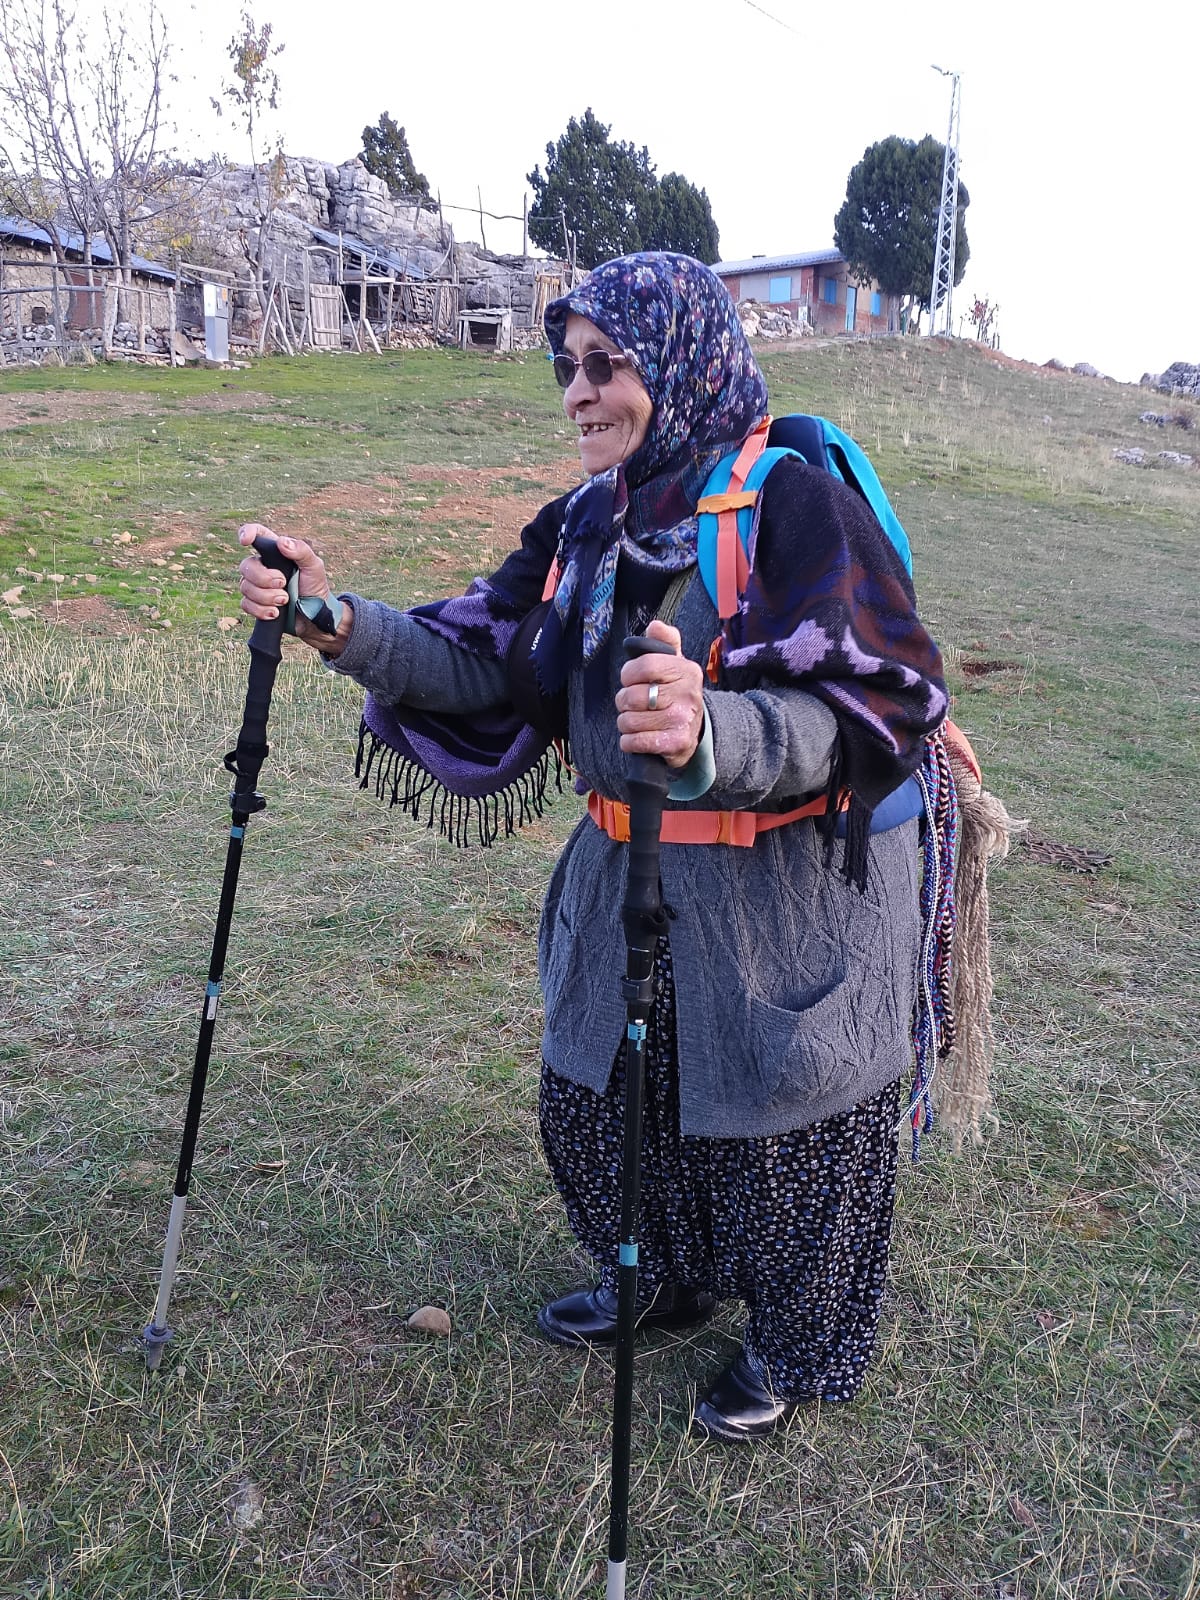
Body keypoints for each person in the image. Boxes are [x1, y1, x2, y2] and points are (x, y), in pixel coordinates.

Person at [238, 253, 948, 1442]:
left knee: (786, 1128)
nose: (579, 391)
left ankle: (790, 1340)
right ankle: (664, 1282)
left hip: (780, 898)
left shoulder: (785, 500)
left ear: (679, 359)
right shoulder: (584, 522)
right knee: (606, 1103)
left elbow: (873, 702)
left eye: (607, 364)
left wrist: (714, 726)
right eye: (568, 367)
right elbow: (489, 660)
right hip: (625, 880)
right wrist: (332, 621)